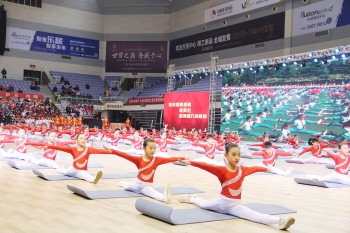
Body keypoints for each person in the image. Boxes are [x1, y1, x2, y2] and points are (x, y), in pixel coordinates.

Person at [178, 143, 295, 230]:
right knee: (203, 204)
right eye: (233, 154)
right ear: (226, 155)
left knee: (253, 215)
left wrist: (267, 168)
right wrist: (189, 162)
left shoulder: (242, 170)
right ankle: (191, 198)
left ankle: (280, 221)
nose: (237, 157)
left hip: (234, 206)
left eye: (239, 155)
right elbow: (205, 165)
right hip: (220, 202)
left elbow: (256, 168)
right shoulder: (221, 170)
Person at [104, 138, 187, 203]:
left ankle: (165, 197)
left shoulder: (157, 160)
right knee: (127, 187)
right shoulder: (138, 159)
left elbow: (169, 159)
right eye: (150, 148)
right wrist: (113, 151)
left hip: (146, 186)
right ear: (144, 148)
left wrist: (182, 158)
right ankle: (126, 184)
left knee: (154, 194)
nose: (153, 150)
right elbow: (126, 155)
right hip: (136, 184)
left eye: (154, 148)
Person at [46, 133, 112, 184]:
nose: (83, 140)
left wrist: (108, 151)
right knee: (65, 172)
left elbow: (99, 151)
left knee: (87, 177)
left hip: (81, 170)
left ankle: (94, 179)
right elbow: (61, 148)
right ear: (77, 140)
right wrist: (49, 146)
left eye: (85, 139)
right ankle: (60, 169)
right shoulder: (73, 149)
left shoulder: (88, 149)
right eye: (81, 138)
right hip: (72, 168)